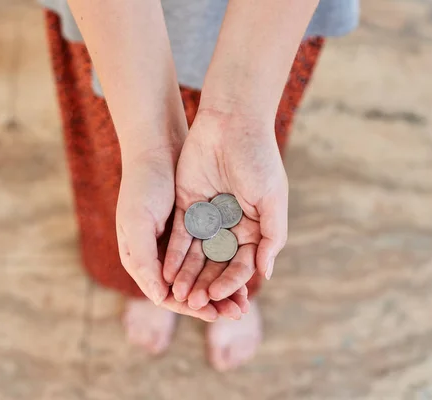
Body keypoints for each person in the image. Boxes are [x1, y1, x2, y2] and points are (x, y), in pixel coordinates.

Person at [41, 0, 358, 371]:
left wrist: (238, 118)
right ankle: (141, 284)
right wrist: (150, 148)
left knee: (252, 163)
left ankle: (228, 286)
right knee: (117, 163)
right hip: (111, 28)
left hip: (271, 31)